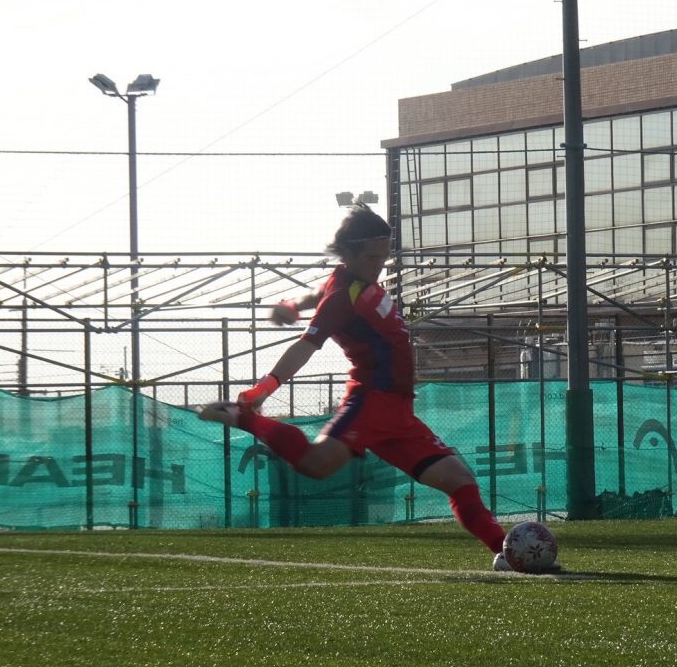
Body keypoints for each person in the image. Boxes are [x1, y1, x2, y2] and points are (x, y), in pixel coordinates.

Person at [198, 203, 552, 572]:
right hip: (370, 400)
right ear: (348, 253)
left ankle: (506, 554)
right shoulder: (342, 297)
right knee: (317, 464)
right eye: (371, 257)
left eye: (384, 257)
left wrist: (292, 303)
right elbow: (306, 345)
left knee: (459, 480)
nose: (379, 265)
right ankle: (242, 418)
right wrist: (264, 389)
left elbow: (316, 293)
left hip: (399, 411)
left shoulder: (351, 283)